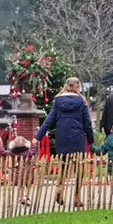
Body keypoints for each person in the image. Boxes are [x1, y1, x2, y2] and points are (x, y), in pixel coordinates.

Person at [34, 77, 94, 208]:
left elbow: (49, 120)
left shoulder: (58, 101)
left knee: (63, 165)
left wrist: (37, 137)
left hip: (62, 137)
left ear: (66, 86)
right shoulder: (81, 102)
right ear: (77, 87)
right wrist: (91, 140)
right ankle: (77, 197)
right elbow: (87, 124)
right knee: (79, 167)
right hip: (77, 137)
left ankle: (60, 188)